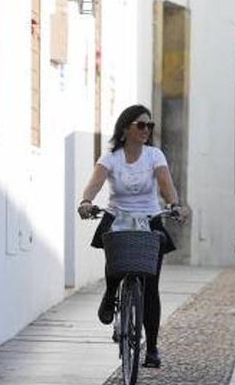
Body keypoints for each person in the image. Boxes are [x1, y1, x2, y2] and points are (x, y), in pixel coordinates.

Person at [77, 104, 189, 369]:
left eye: (150, 125)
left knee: (151, 285)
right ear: (126, 128)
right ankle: (110, 292)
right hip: (118, 217)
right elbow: (95, 181)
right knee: (115, 261)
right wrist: (86, 201)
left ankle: (151, 348)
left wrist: (174, 205)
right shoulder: (111, 157)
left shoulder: (154, 155)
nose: (146, 130)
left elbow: (165, 184)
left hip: (149, 219)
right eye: (141, 125)